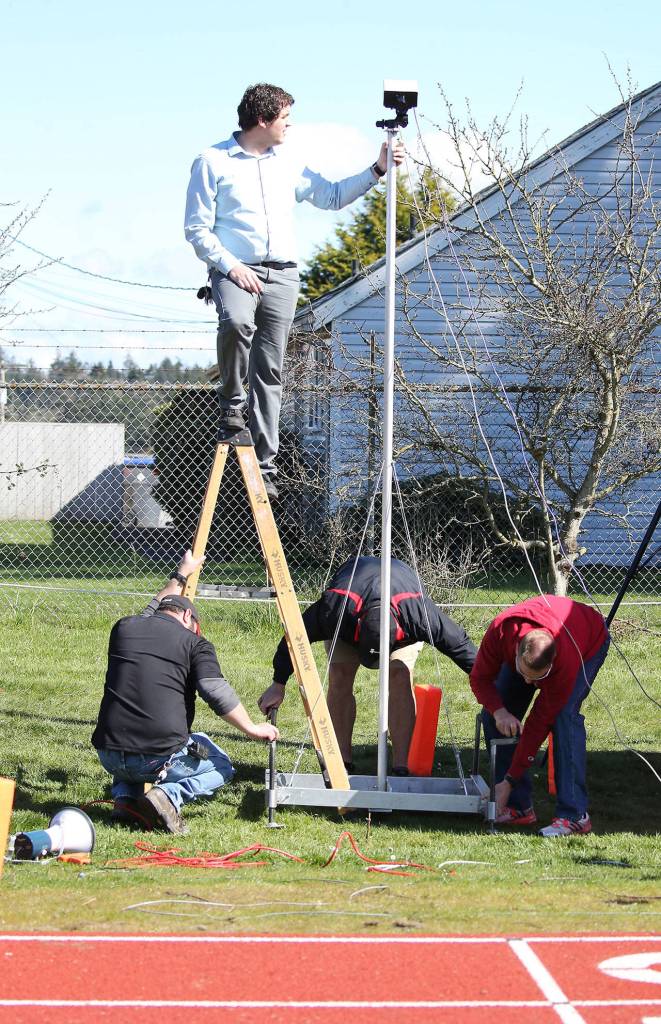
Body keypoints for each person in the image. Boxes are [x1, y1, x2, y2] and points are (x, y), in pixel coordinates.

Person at [184, 82, 405, 499]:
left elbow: (333, 196)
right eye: (285, 117)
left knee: (270, 369)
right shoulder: (211, 161)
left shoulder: (289, 164)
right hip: (234, 270)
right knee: (235, 322)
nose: (290, 124)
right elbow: (196, 229)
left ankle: (263, 464)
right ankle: (232, 406)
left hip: (282, 275)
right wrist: (230, 267)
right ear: (263, 120)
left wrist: (377, 170)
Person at [91, 550, 278, 834]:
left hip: (109, 754)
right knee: (219, 764)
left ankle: (125, 801)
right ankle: (168, 797)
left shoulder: (124, 628)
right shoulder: (195, 645)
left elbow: (152, 609)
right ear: (189, 616)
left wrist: (182, 572)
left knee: (135, 733)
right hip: (155, 759)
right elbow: (214, 690)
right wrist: (252, 728)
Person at [258, 555, 476, 773]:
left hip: (399, 620)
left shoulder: (418, 614)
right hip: (350, 618)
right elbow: (294, 637)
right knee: (340, 674)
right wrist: (278, 683)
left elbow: (460, 646)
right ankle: (341, 763)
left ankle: (401, 765)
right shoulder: (334, 608)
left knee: (399, 675)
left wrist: (490, 689)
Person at [470, 595, 610, 837]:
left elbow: (538, 723)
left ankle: (574, 815)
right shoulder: (500, 631)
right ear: (516, 651)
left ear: (552, 663)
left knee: (563, 717)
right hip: (543, 635)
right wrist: (500, 711)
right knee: (495, 715)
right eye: (526, 675)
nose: (530, 683)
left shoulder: (564, 658)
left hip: (589, 640)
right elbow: (479, 678)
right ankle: (517, 807)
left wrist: (509, 778)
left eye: (539, 678)